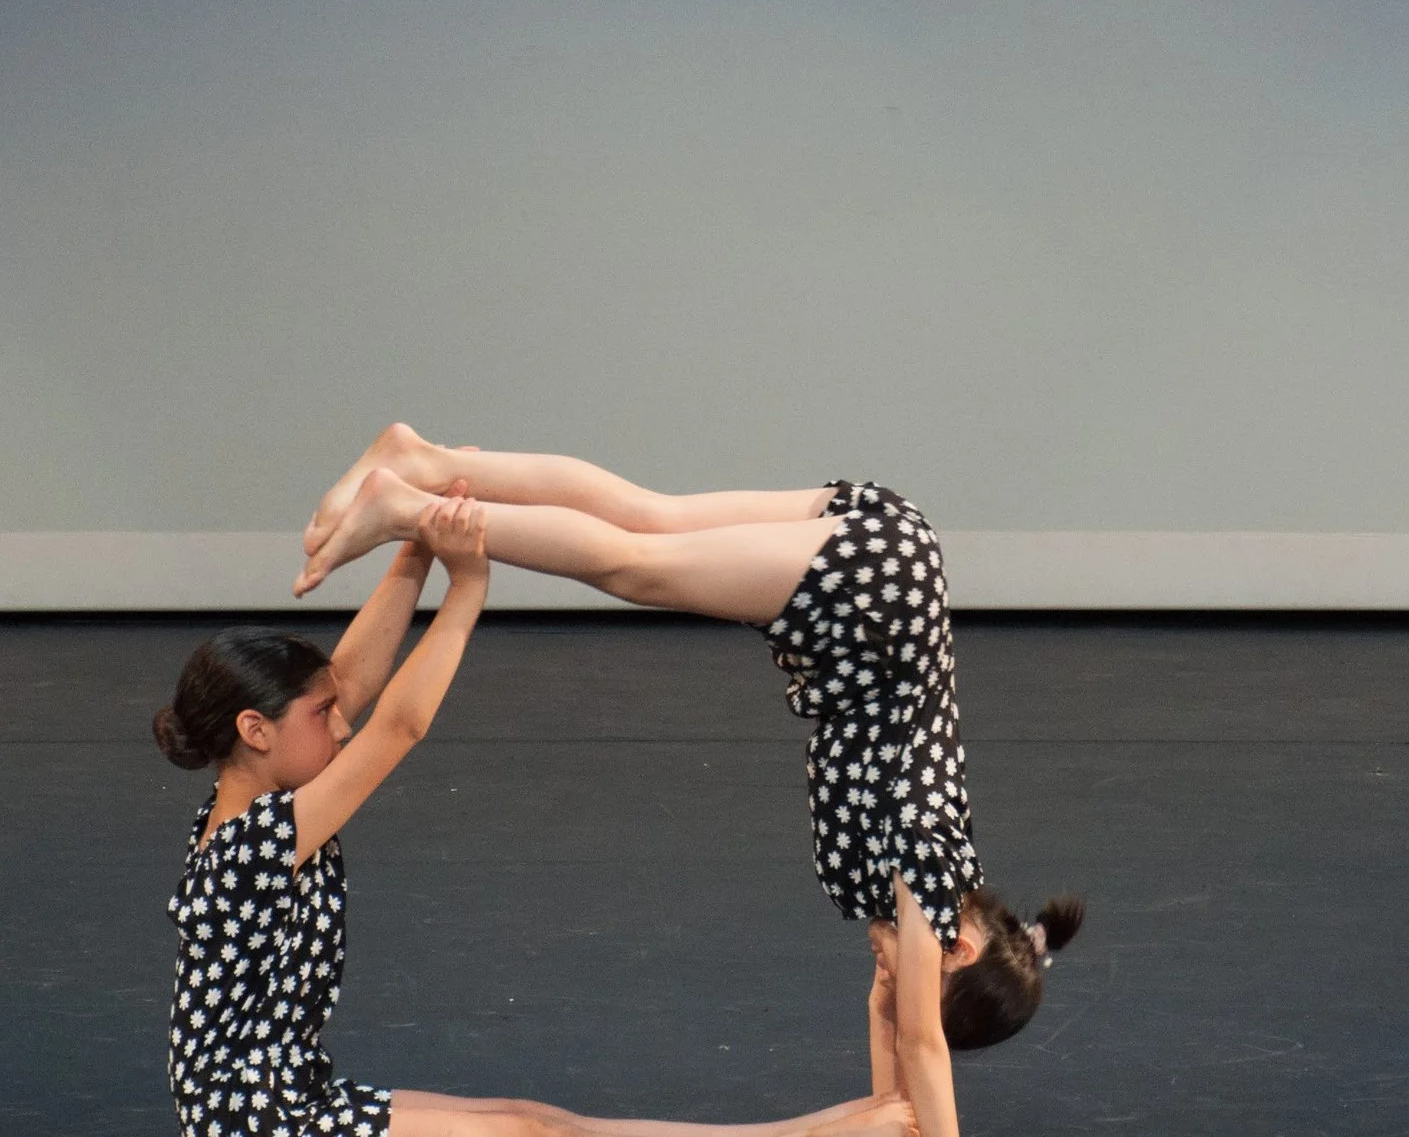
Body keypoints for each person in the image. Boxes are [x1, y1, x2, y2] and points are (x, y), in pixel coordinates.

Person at [293, 430, 1081, 1137]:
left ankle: (425, 462)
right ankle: (407, 509)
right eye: (914, 983)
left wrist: (892, 1074)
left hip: (893, 569)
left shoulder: (930, 896)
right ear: (963, 948)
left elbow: (894, 1064)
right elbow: (919, 1043)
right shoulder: (931, 880)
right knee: (636, 566)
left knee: (648, 518)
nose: (889, 978)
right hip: (875, 601)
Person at [161, 494, 912, 1136]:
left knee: (531, 1118)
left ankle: (813, 1127)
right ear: (255, 730)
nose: (342, 722)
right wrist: (467, 584)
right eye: (323, 715)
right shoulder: (255, 844)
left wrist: (417, 543)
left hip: (284, 1097)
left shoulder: (262, 793)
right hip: (259, 1123)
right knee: (529, 1133)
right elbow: (398, 726)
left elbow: (351, 680)